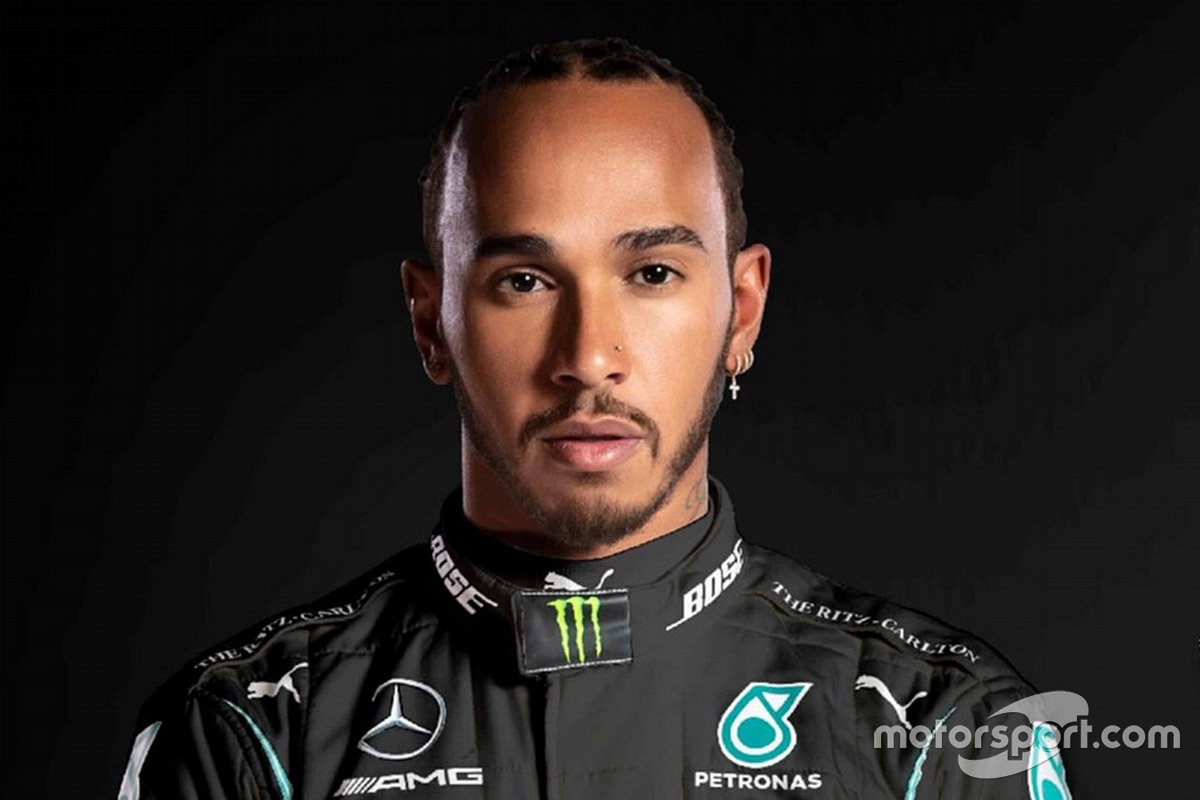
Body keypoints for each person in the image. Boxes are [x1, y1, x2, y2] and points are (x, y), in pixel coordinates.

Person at [118, 37, 1071, 799]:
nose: (588, 356)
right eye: (524, 281)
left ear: (741, 312)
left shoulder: (939, 730)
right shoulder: (249, 731)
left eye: (651, 272)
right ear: (431, 321)